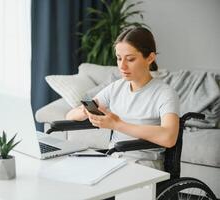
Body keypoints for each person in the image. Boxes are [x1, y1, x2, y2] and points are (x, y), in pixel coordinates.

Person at [66, 27, 180, 170]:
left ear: (150, 58)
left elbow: (169, 137)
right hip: (113, 161)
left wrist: (117, 124)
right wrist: (86, 111)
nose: (122, 66)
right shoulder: (116, 87)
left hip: (144, 167)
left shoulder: (165, 93)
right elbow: (70, 115)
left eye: (130, 59)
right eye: (119, 58)